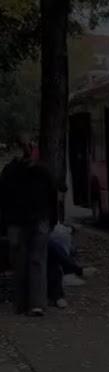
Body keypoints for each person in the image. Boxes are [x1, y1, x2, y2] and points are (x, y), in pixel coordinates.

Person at [0, 135, 57, 316]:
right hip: (39, 220)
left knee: (19, 262)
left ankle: (21, 303)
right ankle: (36, 304)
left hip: (16, 222)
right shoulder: (43, 171)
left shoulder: (9, 171)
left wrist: (4, 224)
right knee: (37, 261)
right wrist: (52, 220)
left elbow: (3, 199)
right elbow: (52, 196)